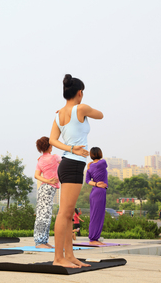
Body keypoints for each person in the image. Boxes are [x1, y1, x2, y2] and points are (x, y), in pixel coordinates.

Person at [49, 74, 103, 268]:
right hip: (72, 164)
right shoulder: (82, 108)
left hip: (68, 163)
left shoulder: (59, 114)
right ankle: (58, 258)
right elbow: (101, 115)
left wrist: (70, 148)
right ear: (79, 93)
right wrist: (73, 149)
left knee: (69, 212)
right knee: (64, 213)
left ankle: (69, 255)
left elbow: (53, 140)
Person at [33, 137, 61, 249]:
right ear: (49, 146)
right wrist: (49, 181)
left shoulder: (40, 160)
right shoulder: (55, 157)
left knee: (46, 215)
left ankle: (43, 241)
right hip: (47, 189)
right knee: (43, 216)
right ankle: (39, 242)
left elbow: (37, 175)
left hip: (45, 189)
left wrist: (47, 180)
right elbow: (64, 163)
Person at [86, 147, 108, 245]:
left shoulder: (90, 168)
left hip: (95, 191)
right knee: (97, 215)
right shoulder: (102, 163)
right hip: (99, 192)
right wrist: (97, 184)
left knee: (96, 215)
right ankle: (93, 239)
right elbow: (105, 163)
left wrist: (95, 184)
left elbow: (87, 180)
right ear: (99, 153)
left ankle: (95, 238)